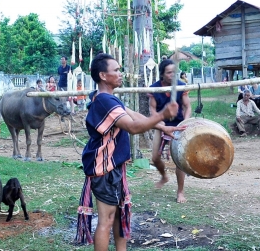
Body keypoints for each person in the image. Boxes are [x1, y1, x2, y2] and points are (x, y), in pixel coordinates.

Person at [76, 53, 181, 250]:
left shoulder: (107, 99)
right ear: (103, 75)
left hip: (112, 167)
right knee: (106, 220)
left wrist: (162, 126)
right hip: (105, 169)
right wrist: (164, 114)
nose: (120, 73)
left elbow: (135, 116)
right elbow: (132, 127)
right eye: (116, 70)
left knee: (118, 215)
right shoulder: (104, 101)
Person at [149, 59, 191, 203]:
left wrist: (185, 123)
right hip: (161, 124)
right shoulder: (154, 88)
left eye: (174, 72)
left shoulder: (181, 86)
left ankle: (180, 192)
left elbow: (188, 107)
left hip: (179, 125)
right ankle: (164, 176)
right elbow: (152, 111)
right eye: (169, 72)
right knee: (154, 158)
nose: (172, 75)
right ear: (162, 74)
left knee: (179, 161)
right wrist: (160, 124)